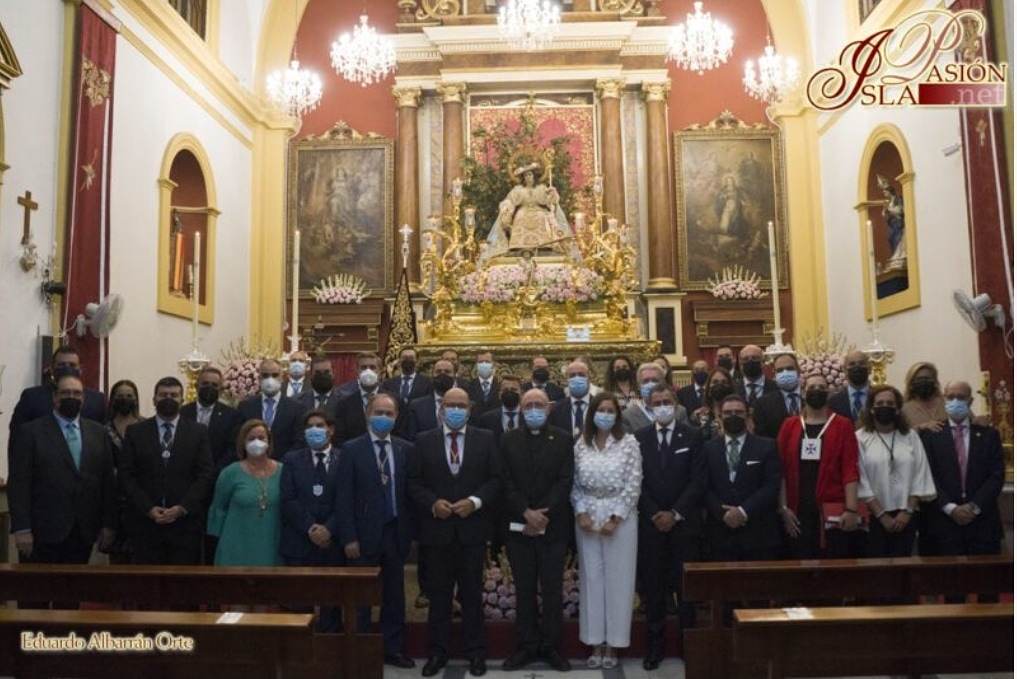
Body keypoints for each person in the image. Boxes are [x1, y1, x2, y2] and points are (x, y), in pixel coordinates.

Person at [408, 387, 501, 678]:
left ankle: (476, 653)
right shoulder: (423, 441)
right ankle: (437, 653)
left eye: (462, 405)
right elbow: (413, 482)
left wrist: (474, 502)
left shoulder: (485, 439)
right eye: (451, 405)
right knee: (439, 597)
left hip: (472, 532)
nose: (456, 410)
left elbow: (497, 479)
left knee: (473, 596)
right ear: (441, 409)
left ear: (470, 410)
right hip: (436, 533)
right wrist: (433, 503)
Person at [337, 393, 416, 669]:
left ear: (396, 417)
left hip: (395, 532)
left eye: (389, 413)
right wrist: (348, 537)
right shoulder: (351, 449)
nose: (383, 417)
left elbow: (409, 493)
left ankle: (392, 648)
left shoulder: (405, 448)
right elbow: (343, 497)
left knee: (394, 596)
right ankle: (359, 650)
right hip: (362, 535)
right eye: (378, 412)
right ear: (368, 414)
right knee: (360, 597)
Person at [499, 388, 574, 673]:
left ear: (549, 408)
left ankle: (551, 647)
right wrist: (526, 513)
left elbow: (566, 480)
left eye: (538, 405)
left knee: (553, 590)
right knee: (525, 589)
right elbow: (504, 480)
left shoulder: (564, 439)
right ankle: (527, 646)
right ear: (520, 408)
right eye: (528, 404)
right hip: (519, 527)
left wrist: (542, 515)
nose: (533, 409)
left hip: (553, 527)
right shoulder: (507, 439)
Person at [9, 373, 116, 567]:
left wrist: (107, 524)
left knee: (71, 595)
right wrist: (22, 528)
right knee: (34, 595)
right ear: (54, 397)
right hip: (40, 532)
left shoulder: (98, 432)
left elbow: (106, 482)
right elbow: (19, 483)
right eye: (65, 392)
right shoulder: (30, 432)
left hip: (82, 532)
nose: (71, 397)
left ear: (84, 398)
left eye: (76, 393)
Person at [571, 392, 642, 670]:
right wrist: (581, 512)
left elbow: (634, 482)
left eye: (610, 410)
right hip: (588, 515)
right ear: (592, 413)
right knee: (592, 578)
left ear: (617, 414)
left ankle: (613, 644)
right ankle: (594, 641)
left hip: (620, 518)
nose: (605, 414)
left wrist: (616, 517)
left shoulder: (629, 443)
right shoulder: (581, 444)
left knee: (618, 580)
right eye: (600, 409)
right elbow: (574, 482)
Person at [636, 385, 704, 670]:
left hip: (684, 525)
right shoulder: (638, 438)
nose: (662, 406)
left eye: (666, 401)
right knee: (654, 589)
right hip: (652, 526)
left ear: (675, 404)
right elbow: (635, 481)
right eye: (656, 402)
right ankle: (655, 646)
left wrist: (675, 513)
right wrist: (655, 514)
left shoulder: (693, 435)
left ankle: (689, 646)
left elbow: (698, 480)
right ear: (649, 406)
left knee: (685, 589)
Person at [118, 376, 215, 565]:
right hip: (146, 525)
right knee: (147, 586)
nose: (168, 399)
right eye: (163, 395)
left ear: (183, 399)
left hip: (185, 526)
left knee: (183, 587)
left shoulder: (198, 432)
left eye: (174, 395)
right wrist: (147, 508)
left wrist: (183, 508)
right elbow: (126, 475)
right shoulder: (136, 432)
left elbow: (205, 474)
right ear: (154, 400)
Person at [777, 372, 863, 559]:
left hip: (832, 510)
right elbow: (780, 470)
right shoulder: (789, 425)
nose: (816, 391)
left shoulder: (843, 425)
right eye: (811, 388)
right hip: (796, 510)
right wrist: (783, 508)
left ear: (829, 393)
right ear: (803, 392)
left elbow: (850, 469)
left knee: (832, 568)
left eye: (821, 388)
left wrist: (851, 509)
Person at [919, 380, 1004, 565]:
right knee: (953, 587)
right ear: (944, 398)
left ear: (971, 401)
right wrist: (951, 508)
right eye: (950, 397)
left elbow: (996, 475)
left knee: (988, 586)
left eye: (961, 397)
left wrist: (973, 507)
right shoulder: (931, 436)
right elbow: (928, 476)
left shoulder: (989, 435)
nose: (955, 401)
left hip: (983, 521)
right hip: (945, 523)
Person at [280, 409, 344, 632]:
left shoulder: (345, 458)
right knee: (299, 607)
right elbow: (288, 499)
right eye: (309, 427)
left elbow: (347, 500)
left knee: (331, 605)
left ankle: (331, 655)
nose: (314, 430)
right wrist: (311, 528)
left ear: (331, 430)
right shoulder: (291, 459)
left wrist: (329, 529)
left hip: (333, 544)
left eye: (319, 425)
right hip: (300, 542)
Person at [856, 386, 936, 558]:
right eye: (880, 403)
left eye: (890, 403)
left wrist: (907, 511)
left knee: (904, 568)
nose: (885, 406)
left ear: (898, 409)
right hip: (873, 516)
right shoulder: (860, 438)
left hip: (906, 515)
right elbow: (860, 478)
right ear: (871, 408)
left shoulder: (910, 436)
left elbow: (920, 473)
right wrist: (881, 515)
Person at [702, 395, 782, 563]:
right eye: (728, 412)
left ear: (747, 415)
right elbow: (702, 485)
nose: (733, 416)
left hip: (758, 532)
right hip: (719, 533)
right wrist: (723, 513)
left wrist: (743, 512)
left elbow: (772, 486)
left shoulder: (767, 446)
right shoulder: (707, 448)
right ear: (719, 416)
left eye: (738, 412)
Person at [207, 419, 283, 566]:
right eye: (251, 438)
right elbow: (218, 508)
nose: (257, 442)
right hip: (236, 545)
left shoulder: (284, 471)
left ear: (269, 441)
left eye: (261, 438)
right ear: (243, 442)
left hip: (272, 543)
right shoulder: (230, 473)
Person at [8, 346, 106, 454]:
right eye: (62, 365)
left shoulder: (96, 400)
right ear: (51, 369)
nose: (67, 368)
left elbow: (104, 441)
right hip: (43, 463)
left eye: (72, 365)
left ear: (81, 369)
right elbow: (17, 437)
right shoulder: (32, 397)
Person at [485, 162, 572, 258]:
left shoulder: (541, 188)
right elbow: (509, 200)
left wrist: (553, 194)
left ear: (534, 176)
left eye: (530, 174)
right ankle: (518, 246)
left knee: (541, 216)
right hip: (522, 212)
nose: (528, 177)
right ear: (523, 178)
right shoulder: (518, 189)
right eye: (525, 175)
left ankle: (544, 246)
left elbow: (550, 202)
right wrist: (506, 208)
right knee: (520, 216)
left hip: (539, 212)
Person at [104, 379, 143, 562]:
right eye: (120, 396)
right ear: (113, 399)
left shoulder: (146, 427)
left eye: (129, 396)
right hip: (112, 497)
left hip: (140, 499)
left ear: (136, 399)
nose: (125, 399)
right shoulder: (103, 429)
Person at [180, 366, 243, 472]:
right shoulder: (182, 413)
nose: (209, 387)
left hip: (217, 475)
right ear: (196, 386)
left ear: (221, 390)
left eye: (214, 385)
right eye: (205, 384)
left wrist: (214, 473)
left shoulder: (232, 416)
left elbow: (232, 450)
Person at [238, 358, 305, 455]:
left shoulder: (296, 408)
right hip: (252, 462)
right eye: (265, 375)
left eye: (275, 375)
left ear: (282, 378)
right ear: (259, 378)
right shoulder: (245, 406)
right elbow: (240, 439)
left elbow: (299, 441)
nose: (270, 379)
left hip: (284, 465)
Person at [334, 353, 387, 445]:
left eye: (372, 367)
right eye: (363, 367)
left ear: (380, 372)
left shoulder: (393, 401)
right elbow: (340, 437)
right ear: (357, 372)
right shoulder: (345, 404)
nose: (368, 371)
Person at [621, 362, 688, 433]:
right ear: (638, 386)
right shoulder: (628, 416)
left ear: (663, 383)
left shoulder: (679, 411)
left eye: (655, 380)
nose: (650, 384)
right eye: (645, 381)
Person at [402, 358, 458, 441]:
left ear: (455, 375)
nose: (442, 375)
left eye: (447, 372)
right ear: (432, 376)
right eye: (438, 372)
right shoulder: (417, 406)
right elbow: (411, 438)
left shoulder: (465, 404)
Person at [752, 353, 802, 439]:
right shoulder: (763, 404)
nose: (785, 373)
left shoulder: (811, 396)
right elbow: (761, 437)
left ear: (798, 371)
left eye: (790, 369)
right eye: (780, 370)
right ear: (774, 374)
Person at [549, 360, 593, 441]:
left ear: (589, 378)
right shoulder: (556, 409)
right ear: (566, 380)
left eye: (581, 375)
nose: (577, 378)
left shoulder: (599, 406)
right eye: (572, 376)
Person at [902, 361, 946, 433]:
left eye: (927, 378)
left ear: (935, 382)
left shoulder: (948, 404)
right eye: (919, 379)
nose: (923, 382)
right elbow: (900, 436)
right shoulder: (904, 410)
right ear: (911, 384)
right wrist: (921, 427)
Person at [693, 367, 736, 439]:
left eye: (724, 382)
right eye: (715, 382)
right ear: (708, 387)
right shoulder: (698, 415)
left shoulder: (739, 412)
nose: (719, 385)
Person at [828, 350, 871, 422]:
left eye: (861, 363)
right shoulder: (833, 401)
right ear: (845, 370)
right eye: (852, 364)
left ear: (870, 369)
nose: (857, 367)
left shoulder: (877, 397)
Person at [297, 355, 343, 420]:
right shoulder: (297, 401)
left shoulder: (347, 400)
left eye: (326, 372)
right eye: (317, 373)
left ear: (333, 373)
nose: (322, 376)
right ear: (310, 375)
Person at [878, 174, 906, 267]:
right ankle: (894, 257)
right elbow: (886, 216)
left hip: (898, 224)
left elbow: (900, 211)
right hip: (892, 225)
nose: (884, 193)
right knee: (890, 238)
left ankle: (898, 258)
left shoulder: (898, 199)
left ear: (890, 191)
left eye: (885, 191)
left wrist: (889, 209)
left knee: (897, 238)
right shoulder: (888, 203)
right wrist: (885, 212)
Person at [465, 350, 501, 415]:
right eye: (480, 362)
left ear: (494, 364)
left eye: (487, 362)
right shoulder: (468, 386)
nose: (484, 364)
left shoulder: (501, 385)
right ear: (476, 365)